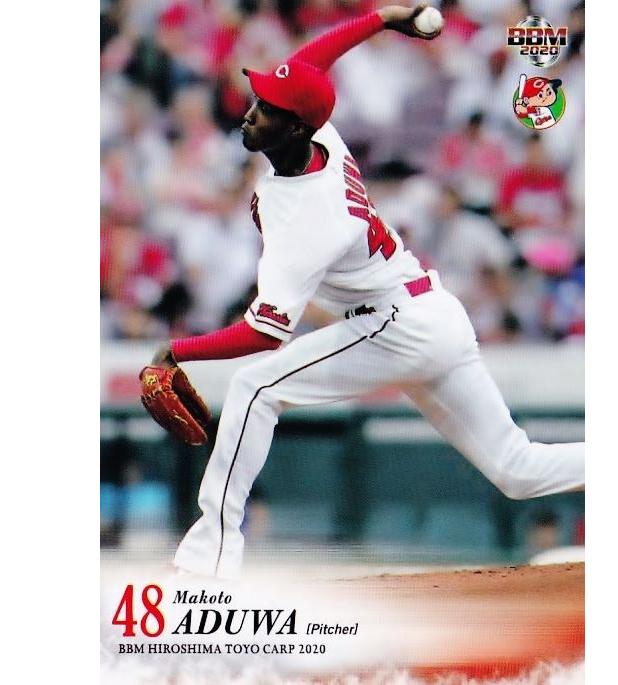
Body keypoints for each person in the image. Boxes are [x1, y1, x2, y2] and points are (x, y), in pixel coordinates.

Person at [146, 5, 585, 579]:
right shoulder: (319, 136)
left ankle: (207, 561)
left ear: (295, 128)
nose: (251, 113)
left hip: (393, 325)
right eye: (258, 101)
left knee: (254, 388)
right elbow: (309, 64)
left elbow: (264, 334)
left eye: (267, 110)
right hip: (429, 313)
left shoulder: (311, 219)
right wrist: (380, 18)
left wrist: (177, 351)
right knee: (517, 469)